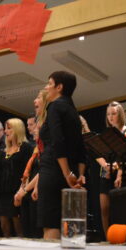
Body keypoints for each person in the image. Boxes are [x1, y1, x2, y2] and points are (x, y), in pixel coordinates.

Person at [33, 71, 86, 240]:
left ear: (59, 87)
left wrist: (66, 173)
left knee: (51, 223)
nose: (46, 87)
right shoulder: (74, 111)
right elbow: (81, 147)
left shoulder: (55, 106)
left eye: (50, 83)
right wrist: (79, 175)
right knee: (70, 227)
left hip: (54, 170)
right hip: (71, 173)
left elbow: (57, 141)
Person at [14, 89, 49, 238]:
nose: (33, 130)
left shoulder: (44, 145)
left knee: (37, 232)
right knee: (27, 231)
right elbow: (27, 172)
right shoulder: (35, 149)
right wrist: (21, 189)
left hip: (38, 189)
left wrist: (26, 189)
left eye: (36, 127)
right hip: (30, 191)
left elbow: (44, 169)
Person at [96, 101, 126, 236]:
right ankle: (107, 237)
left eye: (113, 114)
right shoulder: (106, 133)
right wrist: (105, 165)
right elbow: (97, 153)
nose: (111, 117)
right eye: (108, 114)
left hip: (121, 171)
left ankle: (119, 236)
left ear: (120, 114)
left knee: (119, 207)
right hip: (105, 171)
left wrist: (116, 165)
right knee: (104, 208)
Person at [0, 118, 33, 237]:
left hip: (17, 191)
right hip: (3, 192)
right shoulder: (4, 150)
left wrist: (22, 189)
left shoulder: (26, 148)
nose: (5, 131)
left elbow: (29, 170)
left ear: (17, 129)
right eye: (5, 128)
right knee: (3, 225)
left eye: (9, 128)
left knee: (18, 226)